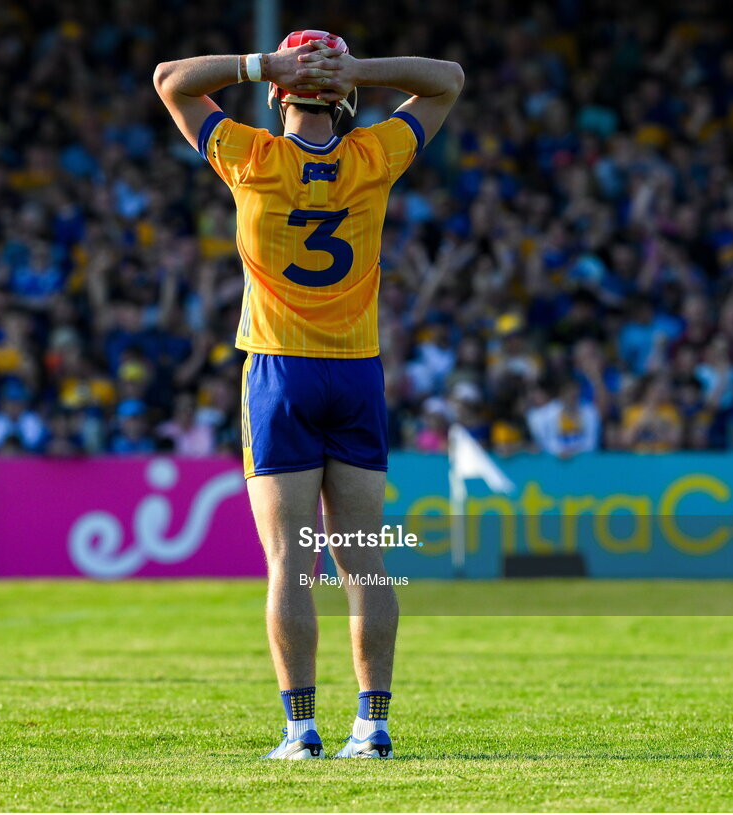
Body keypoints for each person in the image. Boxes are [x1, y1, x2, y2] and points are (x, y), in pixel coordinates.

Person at [154, 30, 463, 759]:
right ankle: (374, 724)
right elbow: (446, 78)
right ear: (346, 98)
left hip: (279, 372)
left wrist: (263, 63)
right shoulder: (373, 157)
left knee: (291, 564)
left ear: (277, 95)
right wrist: (356, 69)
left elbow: (172, 80)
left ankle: (300, 730)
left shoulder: (252, 158)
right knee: (365, 560)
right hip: (356, 369)